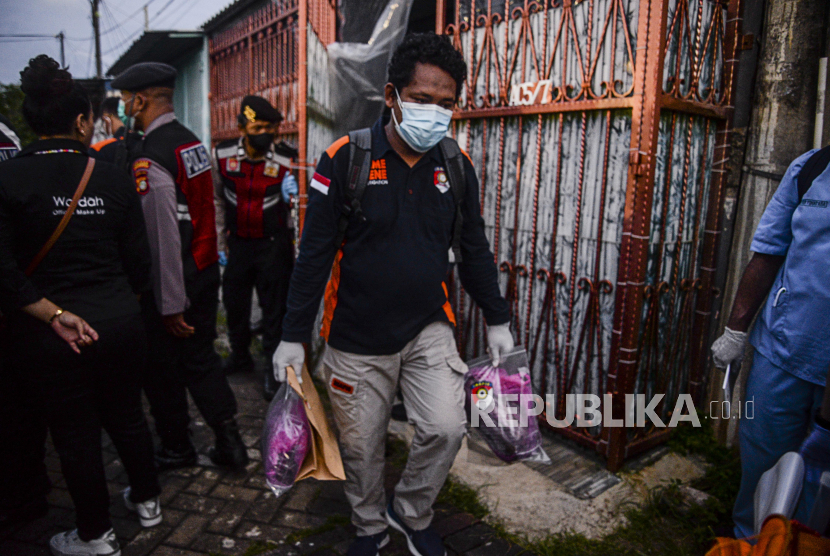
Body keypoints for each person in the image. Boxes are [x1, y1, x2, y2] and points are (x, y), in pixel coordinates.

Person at [273, 33, 515, 556]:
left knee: (447, 429)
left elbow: (473, 250)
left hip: (428, 327)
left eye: (447, 104)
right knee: (362, 447)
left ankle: (409, 511)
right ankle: (368, 527)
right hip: (355, 334)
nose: (435, 112)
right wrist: (293, 336)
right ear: (391, 96)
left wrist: (498, 320)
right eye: (423, 100)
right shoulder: (345, 159)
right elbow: (314, 255)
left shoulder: (456, 167)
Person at [0, 55, 161, 556]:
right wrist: (120, 306)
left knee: (75, 433)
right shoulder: (113, 176)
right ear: (82, 120)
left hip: (50, 333)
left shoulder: (9, 180)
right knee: (128, 415)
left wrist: (52, 313)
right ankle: (149, 501)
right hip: (119, 321)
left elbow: (2, 272)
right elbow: (140, 262)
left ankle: (95, 535)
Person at [111, 61, 249, 471]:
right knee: (201, 358)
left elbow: (162, 237)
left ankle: (177, 446)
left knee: (161, 368)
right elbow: (209, 209)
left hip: (177, 283)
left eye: (124, 101)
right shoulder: (190, 143)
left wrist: (170, 303)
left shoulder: (151, 157)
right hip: (204, 271)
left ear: (140, 100)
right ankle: (231, 443)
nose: (123, 108)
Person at [711, 144, 830, 538]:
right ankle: (751, 540)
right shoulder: (812, 167)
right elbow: (768, 252)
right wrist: (736, 330)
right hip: (782, 352)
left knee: (820, 490)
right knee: (762, 465)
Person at [213, 95, 298, 400]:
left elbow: (299, 207)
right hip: (237, 243)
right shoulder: (222, 155)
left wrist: (295, 196)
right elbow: (217, 201)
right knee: (235, 304)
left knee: (274, 310)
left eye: (269, 127)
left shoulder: (288, 158)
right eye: (256, 126)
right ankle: (239, 355)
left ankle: (272, 372)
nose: (263, 133)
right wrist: (220, 240)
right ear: (241, 127)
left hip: (273, 245)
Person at [0, 114, 49, 530]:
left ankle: (25, 494)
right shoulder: (9, 138)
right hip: (20, 295)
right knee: (20, 406)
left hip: (15, 296)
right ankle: (29, 491)